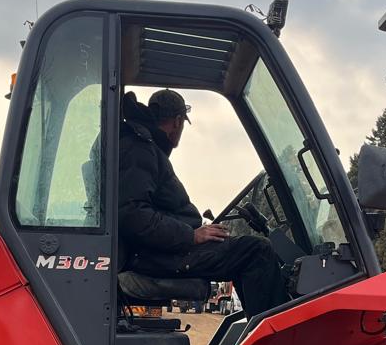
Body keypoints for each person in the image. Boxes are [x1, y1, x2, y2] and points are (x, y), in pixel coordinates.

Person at [118, 89, 290, 317]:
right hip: (156, 256)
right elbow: (133, 215)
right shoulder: (141, 149)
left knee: (239, 255)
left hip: (159, 251)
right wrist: (192, 236)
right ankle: (273, 344)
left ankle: (256, 331)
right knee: (257, 252)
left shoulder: (145, 148)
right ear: (178, 122)